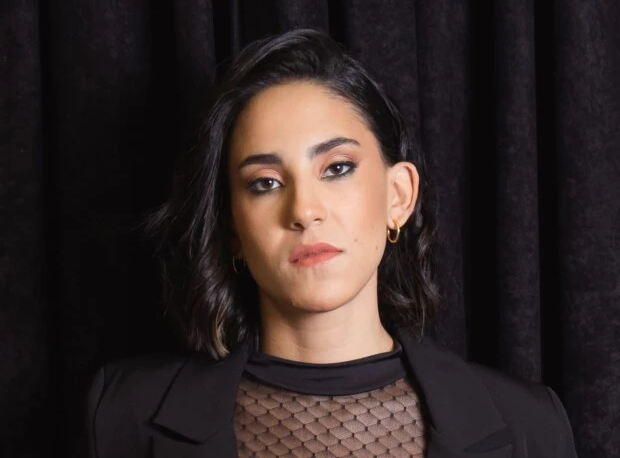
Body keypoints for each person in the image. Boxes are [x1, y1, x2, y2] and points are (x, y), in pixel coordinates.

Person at [86, 28, 578, 458]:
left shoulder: (529, 424)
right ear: (232, 228)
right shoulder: (124, 414)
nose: (304, 210)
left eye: (337, 168)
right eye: (265, 183)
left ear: (398, 196)